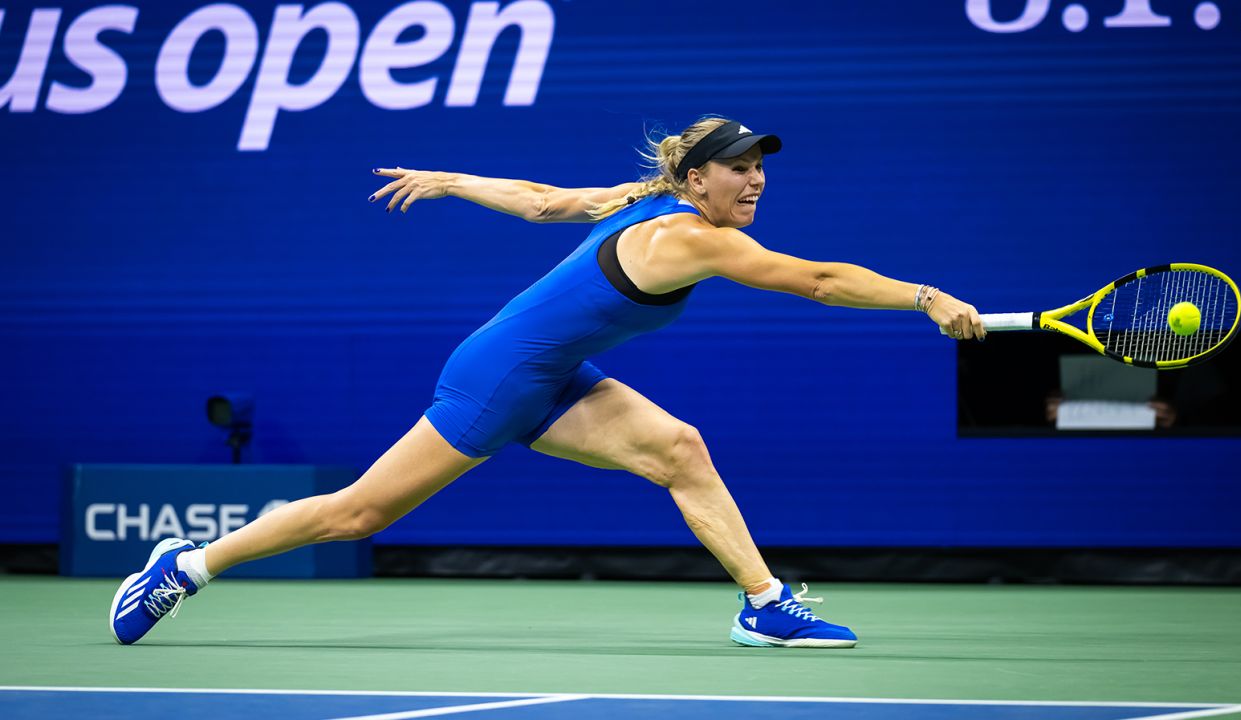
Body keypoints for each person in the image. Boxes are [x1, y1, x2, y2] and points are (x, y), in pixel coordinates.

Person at [109, 117, 986, 649]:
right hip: (498, 377)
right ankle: (185, 566)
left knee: (681, 449)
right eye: (738, 167)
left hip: (560, 373)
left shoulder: (639, 199)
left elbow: (539, 200)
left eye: (761, 166)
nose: (755, 178)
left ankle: (764, 606)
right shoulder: (691, 236)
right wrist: (927, 297)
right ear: (695, 179)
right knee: (357, 515)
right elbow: (821, 280)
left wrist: (452, 181)